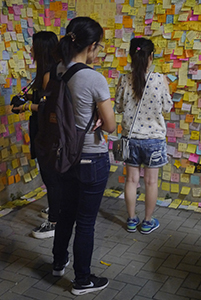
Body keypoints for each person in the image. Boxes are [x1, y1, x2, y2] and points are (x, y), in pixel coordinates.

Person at [50, 17, 115, 295]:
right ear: (91, 47)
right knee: (86, 221)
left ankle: (57, 263)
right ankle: (83, 280)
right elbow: (110, 125)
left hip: (65, 154)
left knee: (66, 213)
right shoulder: (94, 77)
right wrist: (101, 119)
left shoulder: (58, 70)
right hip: (91, 156)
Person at [115, 37, 173, 235]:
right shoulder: (160, 79)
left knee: (131, 180)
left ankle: (131, 220)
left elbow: (119, 107)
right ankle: (147, 222)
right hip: (154, 140)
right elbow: (166, 107)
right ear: (151, 56)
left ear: (131, 56)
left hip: (130, 139)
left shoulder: (124, 79)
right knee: (151, 182)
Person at [13, 31, 60, 239]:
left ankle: (54, 222)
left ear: (42, 49)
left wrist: (25, 107)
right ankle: (56, 208)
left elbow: (51, 109)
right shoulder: (43, 73)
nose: (30, 49)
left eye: (33, 46)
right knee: (50, 175)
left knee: (51, 176)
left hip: (47, 134)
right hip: (41, 131)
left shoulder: (50, 74)